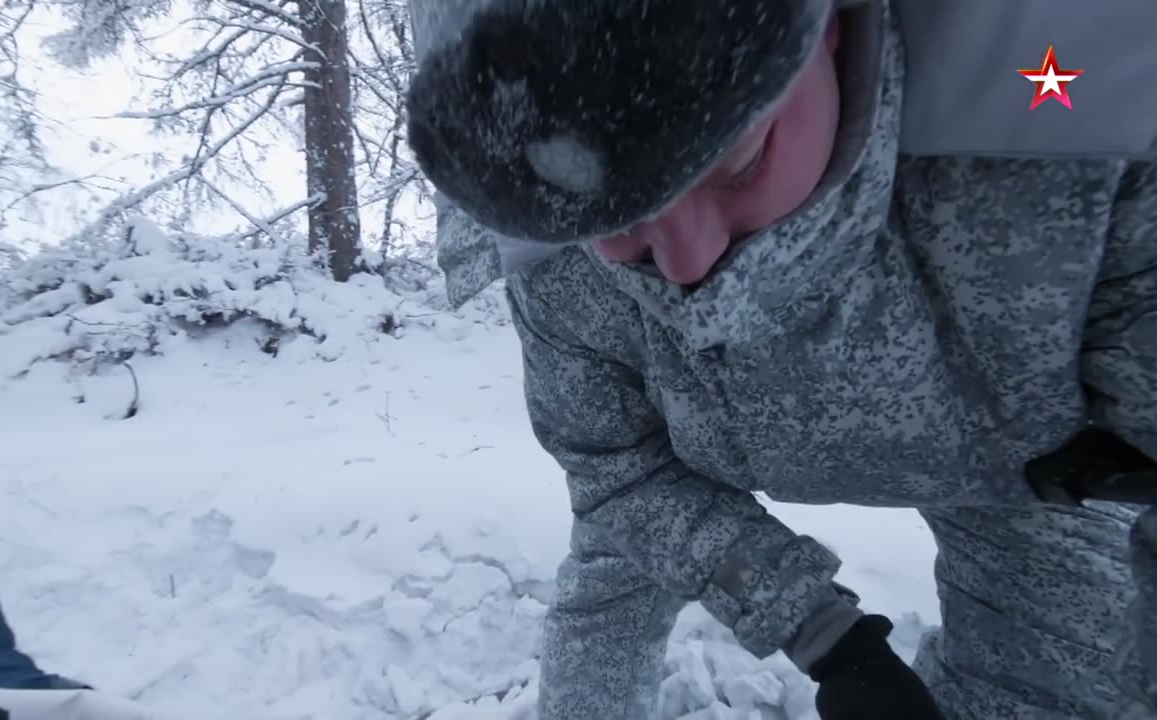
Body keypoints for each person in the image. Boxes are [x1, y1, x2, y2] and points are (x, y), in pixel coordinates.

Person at [404, 0, 1157, 718]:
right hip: (691, 446)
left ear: (830, 27)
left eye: (736, 162)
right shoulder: (553, 238)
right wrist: (827, 637)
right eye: (622, 221)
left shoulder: (1097, 126)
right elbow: (619, 473)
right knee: (617, 578)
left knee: (1065, 672)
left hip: (997, 468)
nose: (687, 261)